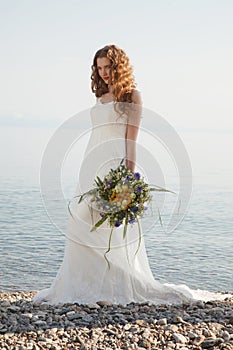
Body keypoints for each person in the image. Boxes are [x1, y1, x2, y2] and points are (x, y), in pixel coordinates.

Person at [33, 44, 228, 305]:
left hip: (114, 167)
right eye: (99, 67)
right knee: (80, 224)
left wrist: (127, 181)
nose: (103, 72)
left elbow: (131, 140)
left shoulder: (132, 97)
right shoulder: (100, 96)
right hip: (90, 167)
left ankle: (115, 287)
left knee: (111, 231)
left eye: (108, 67)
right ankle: (83, 286)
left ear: (118, 66)